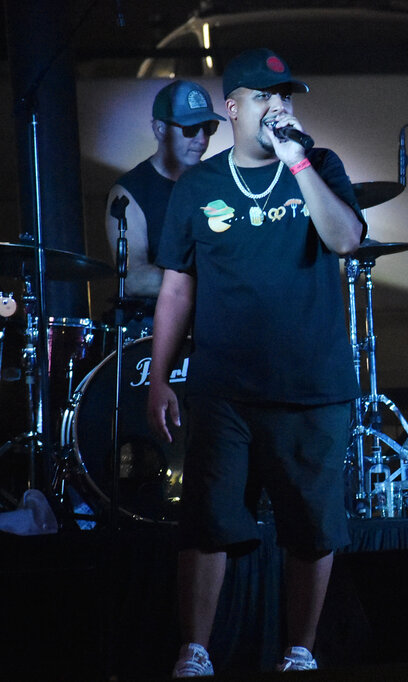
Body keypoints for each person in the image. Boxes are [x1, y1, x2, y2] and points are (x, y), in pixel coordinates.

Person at [146, 48, 365, 677]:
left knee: (312, 526)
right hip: (225, 388)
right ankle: (196, 651)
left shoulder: (320, 166)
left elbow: (345, 239)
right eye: (266, 97)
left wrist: (299, 162)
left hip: (312, 385)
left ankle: (299, 651)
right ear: (235, 107)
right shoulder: (200, 186)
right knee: (208, 520)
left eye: (287, 97)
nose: (279, 108)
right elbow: (177, 287)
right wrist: (159, 377)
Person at [104, 80, 224, 335]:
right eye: (191, 129)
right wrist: (213, 278)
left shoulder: (218, 183)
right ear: (159, 129)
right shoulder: (129, 191)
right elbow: (133, 278)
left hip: (215, 321)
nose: (202, 139)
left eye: (208, 127)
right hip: (156, 326)